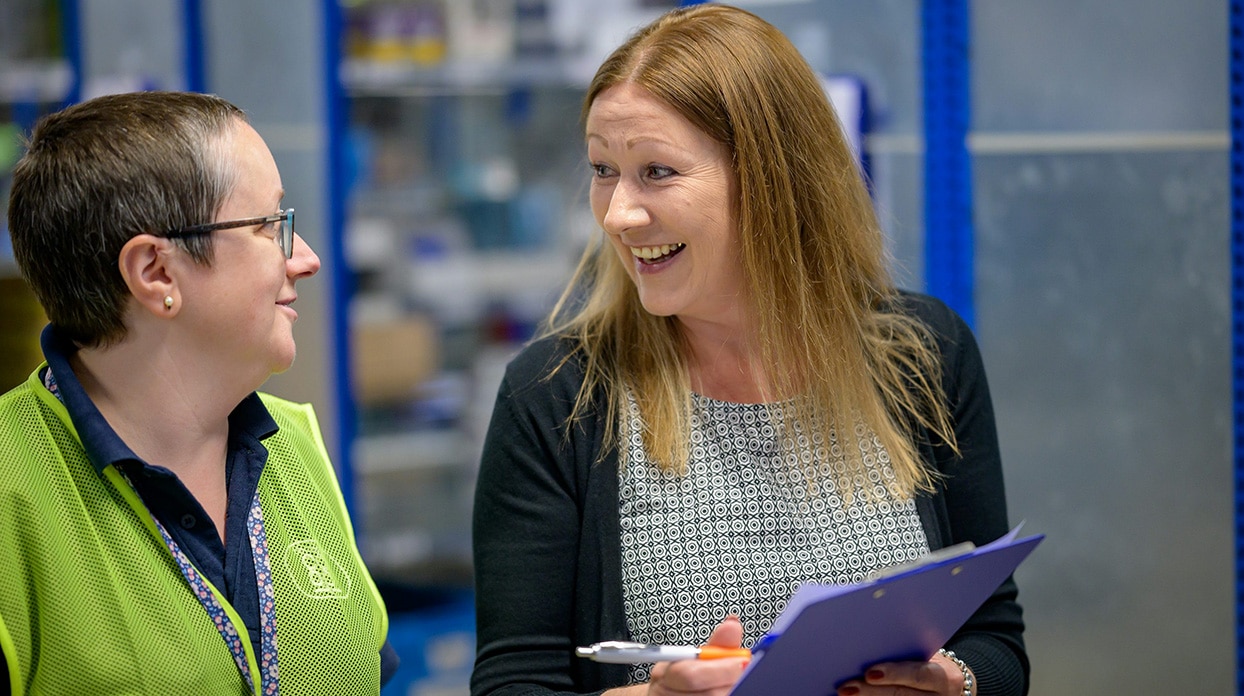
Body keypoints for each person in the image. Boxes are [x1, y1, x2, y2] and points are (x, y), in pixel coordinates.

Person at [471, 5, 1027, 696]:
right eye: (603, 169)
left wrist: (954, 683)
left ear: (774, 179)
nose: (618, 214)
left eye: (657, 172)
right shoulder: (557, 395)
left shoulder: (923, 356)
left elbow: (994, 637)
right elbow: (513, 682)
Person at [0, 91, 397, 695]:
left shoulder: (294, 447)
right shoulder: (14, 485)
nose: (307, 259)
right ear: (156, 272)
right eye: (270, 227)